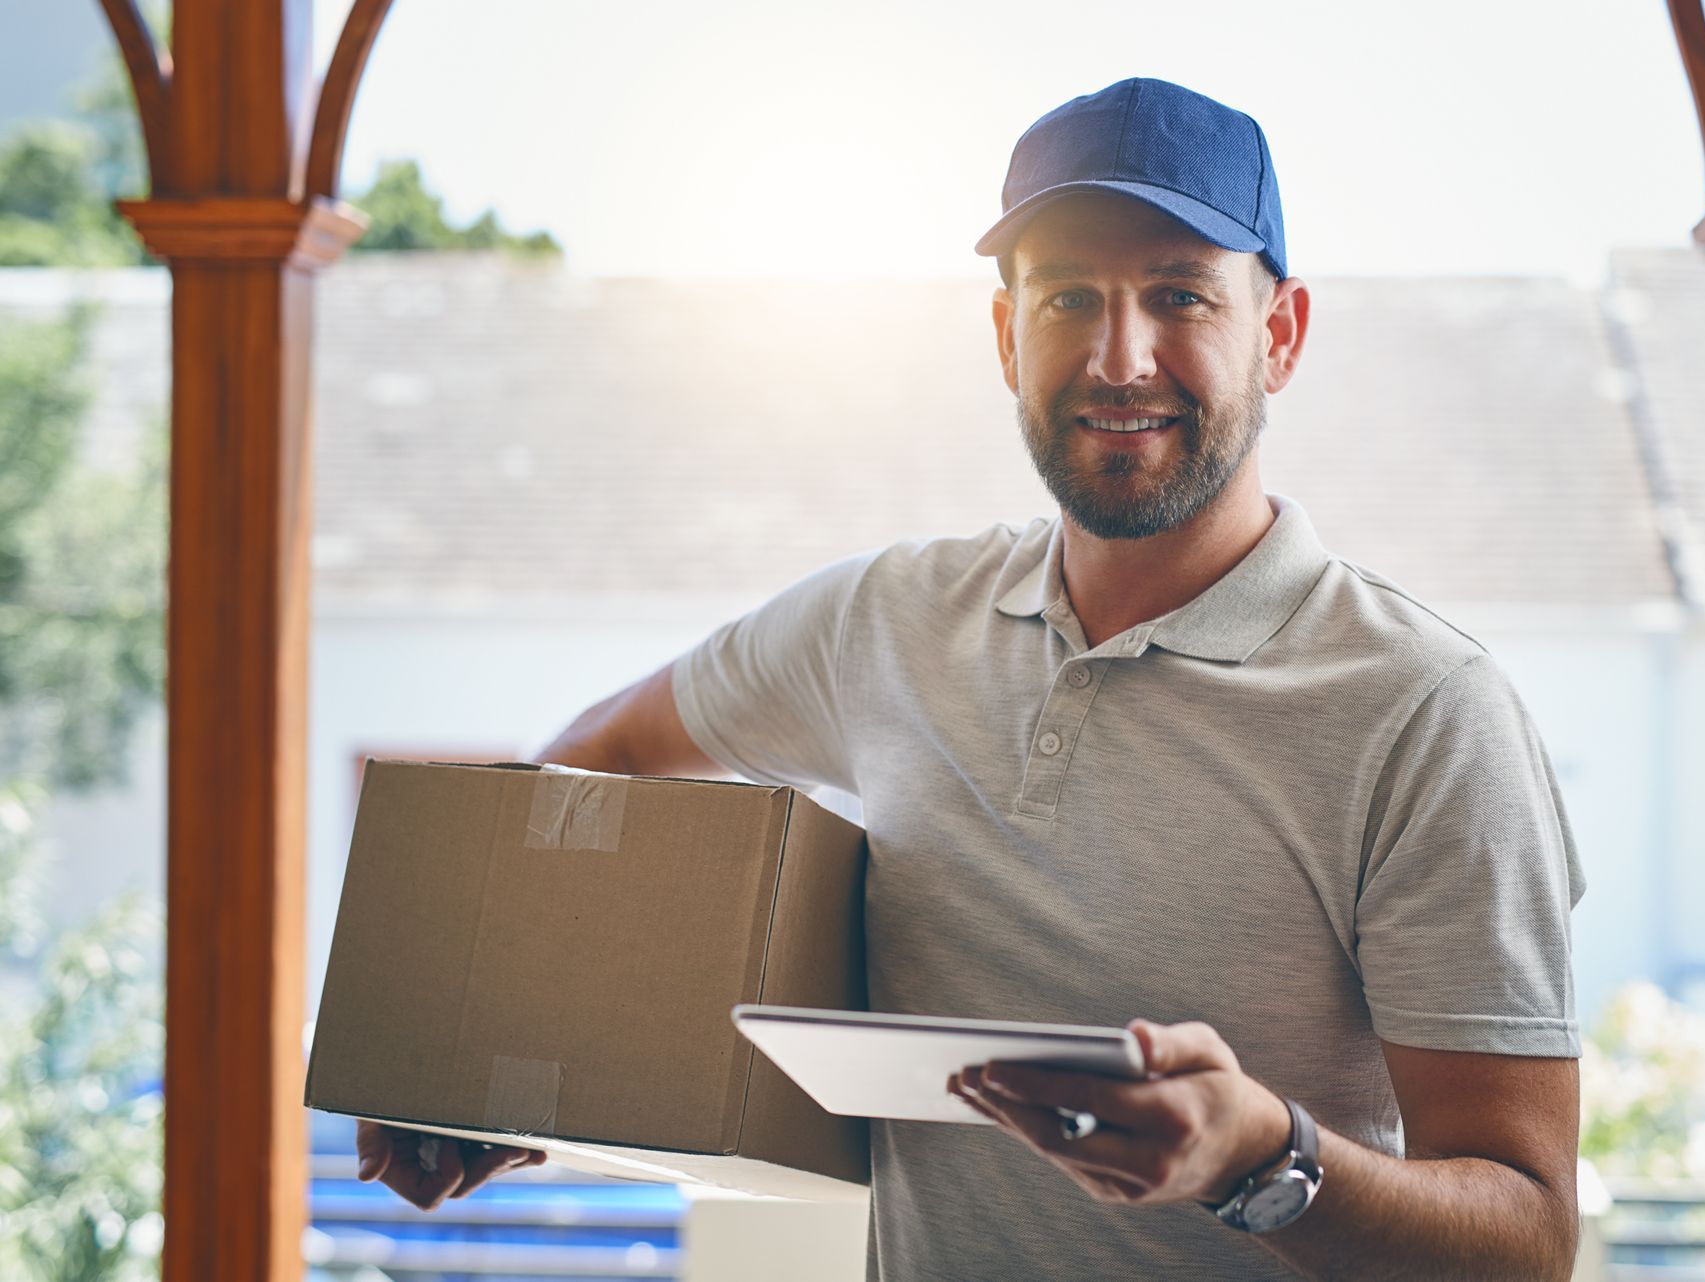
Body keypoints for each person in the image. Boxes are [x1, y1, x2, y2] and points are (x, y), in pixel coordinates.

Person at [356, 77, 1585, 1281]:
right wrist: (487, 1043)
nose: (1119, 357)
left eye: (1178, 295)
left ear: (1280, 333)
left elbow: (1527, 1238)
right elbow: (604, 755)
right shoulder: (885, 622)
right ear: (1007, 336)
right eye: (1066, 299)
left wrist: (1262, 1160)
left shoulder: (1426, 710)